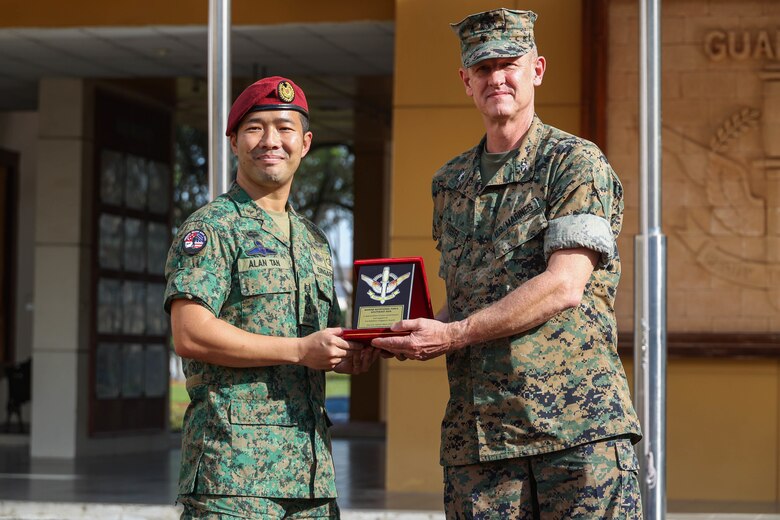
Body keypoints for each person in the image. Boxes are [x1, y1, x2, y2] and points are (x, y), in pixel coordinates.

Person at [372, 8, 643, 519]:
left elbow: (564, 285)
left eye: (509, 64)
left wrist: (452, 335)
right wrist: (405, 333)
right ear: (466, 82)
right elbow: (466, 301)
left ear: (536, 70)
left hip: (575, 433)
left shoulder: (573, 163)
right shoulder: (449, 184)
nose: (497, 77)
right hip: (481, 441)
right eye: (482, 67)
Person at [164, 76, 377, 520]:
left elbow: (325, 339)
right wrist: (299, 350)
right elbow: (191, 334)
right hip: (233, 478)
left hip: (311, 477)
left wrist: (352, 352)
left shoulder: (315, 241)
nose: (270, 141)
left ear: (305, 142)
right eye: (255, 128)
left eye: (284, 128)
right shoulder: (212, 229)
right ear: (234, 142)